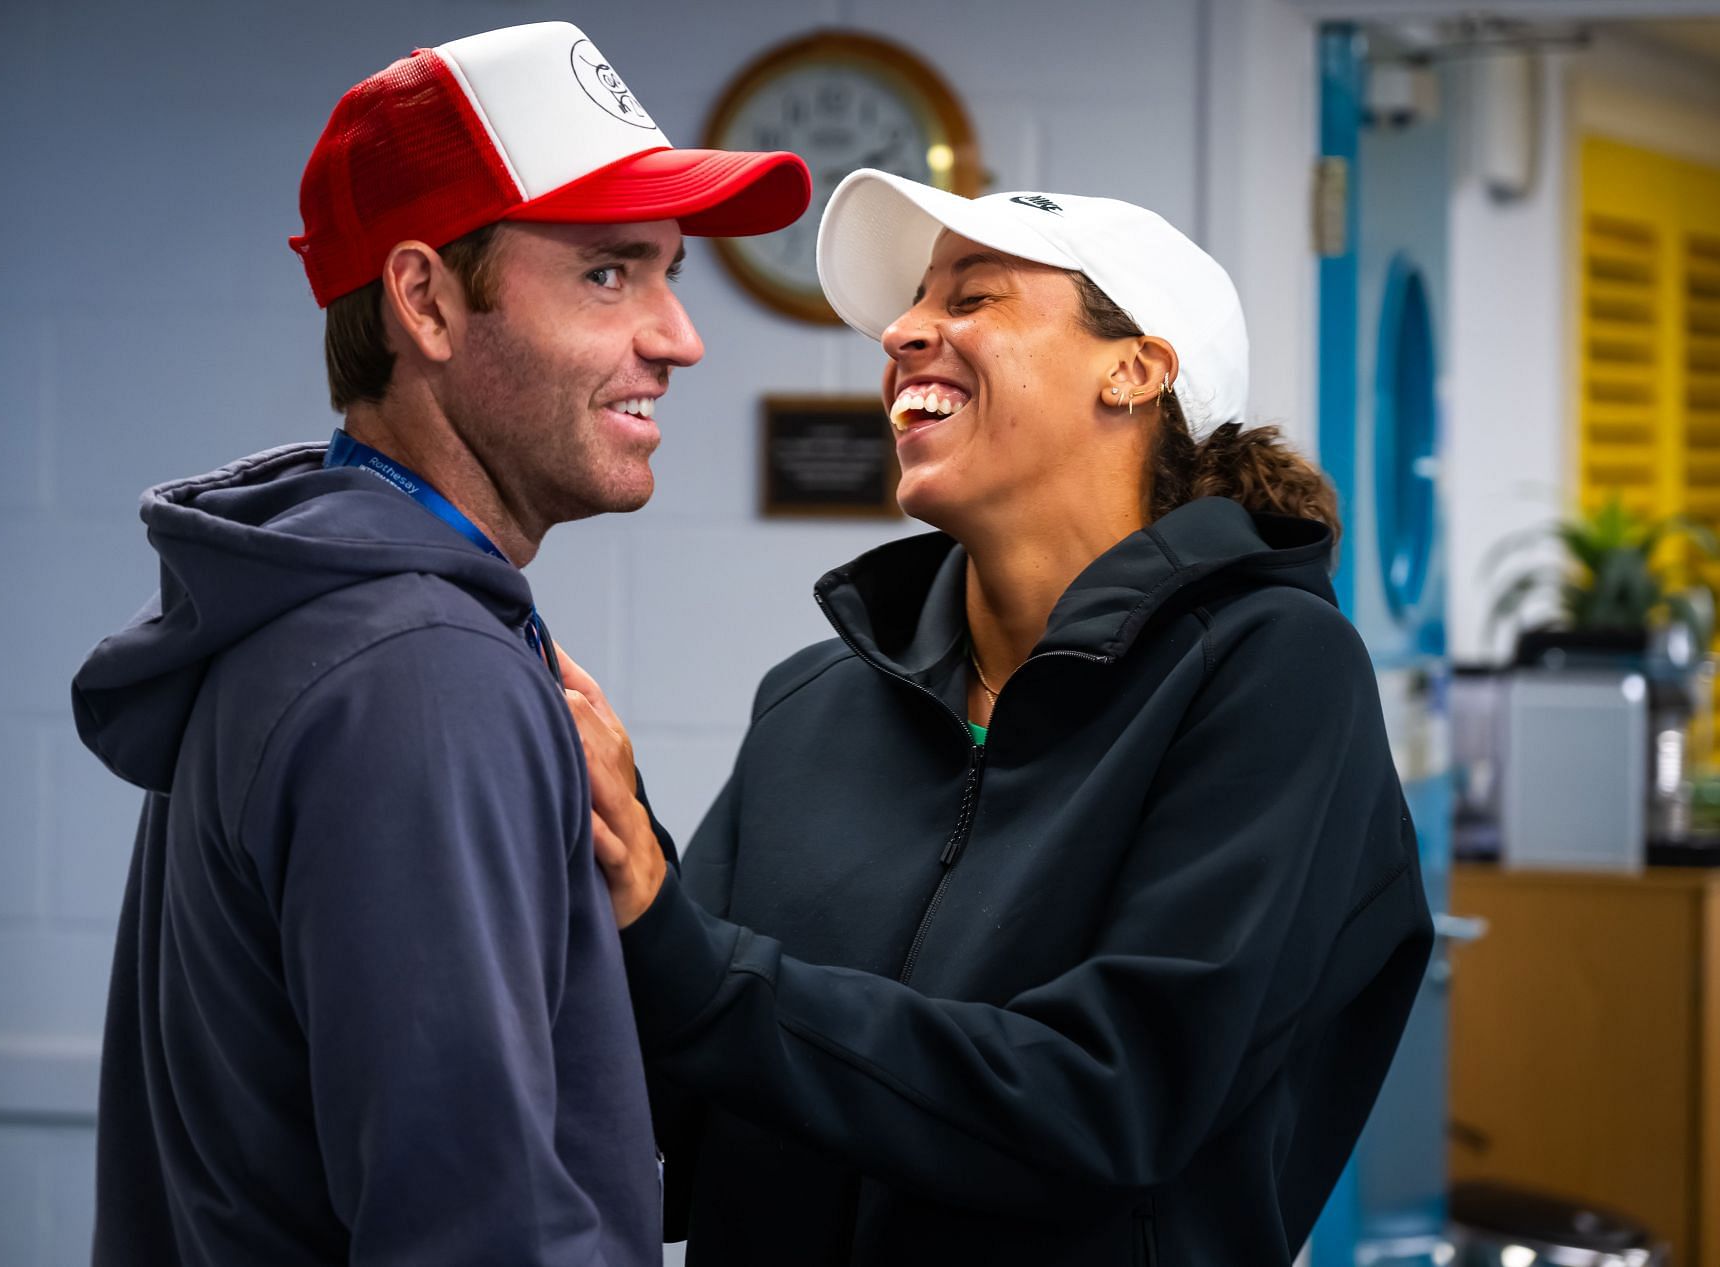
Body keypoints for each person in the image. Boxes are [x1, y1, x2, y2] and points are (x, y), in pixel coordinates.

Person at [562, 171, 1435, 1265]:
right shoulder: (811, 702)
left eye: (972, 298)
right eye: (915, 302)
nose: (905, 330)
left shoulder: (1272, 677)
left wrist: (688, 955)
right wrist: (600, 858)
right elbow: (685, 1090)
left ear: (1135, 369)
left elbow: (1112, 1101)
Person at [69, 22, 808, 1266]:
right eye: (610, 274)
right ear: (423, 301)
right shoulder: (416, 672)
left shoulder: (319, 609)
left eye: (670, 272)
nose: (680, 338)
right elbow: (475, 1234)